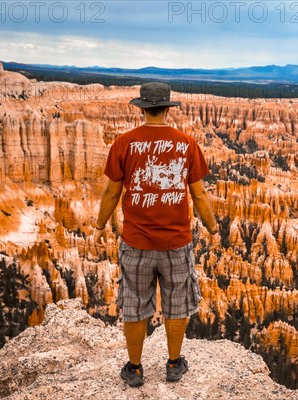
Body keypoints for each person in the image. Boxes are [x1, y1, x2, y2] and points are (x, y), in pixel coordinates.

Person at [94, 82, 218, 387]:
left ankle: (135, 368)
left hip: (136, 242)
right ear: (167, 108)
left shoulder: (124, 142)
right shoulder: (187, 143)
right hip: (177, 242)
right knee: (177, 302)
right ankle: (174, 363)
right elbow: (199, 194)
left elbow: (112, 192)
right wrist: (213, 227)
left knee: (135, 303)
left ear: (141, 108)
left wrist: (99, 225)